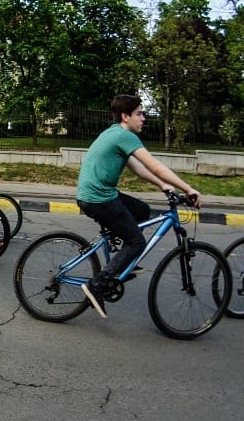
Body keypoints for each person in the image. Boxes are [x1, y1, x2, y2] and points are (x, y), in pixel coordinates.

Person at [76, 94, 202, 318]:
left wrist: (163, 185)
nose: (144, 118)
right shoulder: (125, 136)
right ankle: (97, 285)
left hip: (98, 194)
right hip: (99, 198)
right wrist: (188, 188)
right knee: (136, 242)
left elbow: (137, 167)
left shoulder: (115, 133)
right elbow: (154, 165)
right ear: (126, 116)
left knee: (142, 211)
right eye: (139, 114)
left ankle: (125, 259)